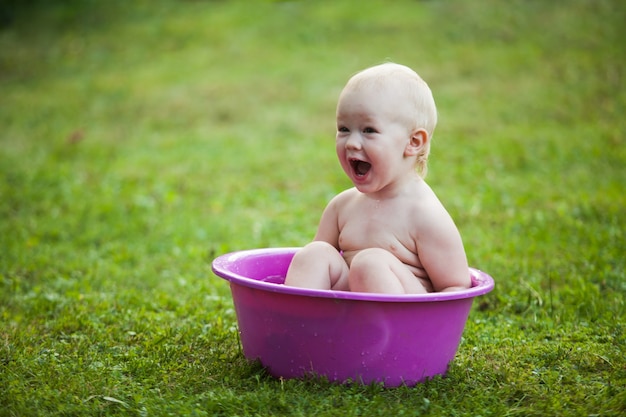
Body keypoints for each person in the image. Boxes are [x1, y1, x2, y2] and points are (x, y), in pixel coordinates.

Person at [284, 62, 471, 294]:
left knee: (370, 264)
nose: (351, 142)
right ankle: (298, 323)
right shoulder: (342, 207)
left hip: (405, 318)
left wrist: (429, 329)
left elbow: (455, 286)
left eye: (369, 130)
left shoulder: (425, 215)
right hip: (349, 310)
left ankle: (384, 330)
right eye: (343, 129)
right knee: (315, 253)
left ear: (413, 143)